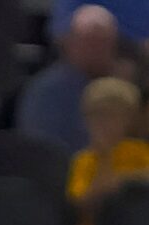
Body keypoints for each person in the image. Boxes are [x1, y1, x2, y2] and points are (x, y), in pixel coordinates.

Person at [20, 5, 129, 154]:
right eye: (90, 43)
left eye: (104, 43)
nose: (97, 51)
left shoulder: (122, 90)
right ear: (70, 44)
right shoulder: (45, 92)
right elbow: (41, 150)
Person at [68, 76, 149, 225]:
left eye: (115, 115)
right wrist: (106, 161)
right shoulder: (83, 160)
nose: (106, 123)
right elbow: (80, 204)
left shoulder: (141, 151)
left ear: (129, 120)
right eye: (99, 115)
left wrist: (120, 182)